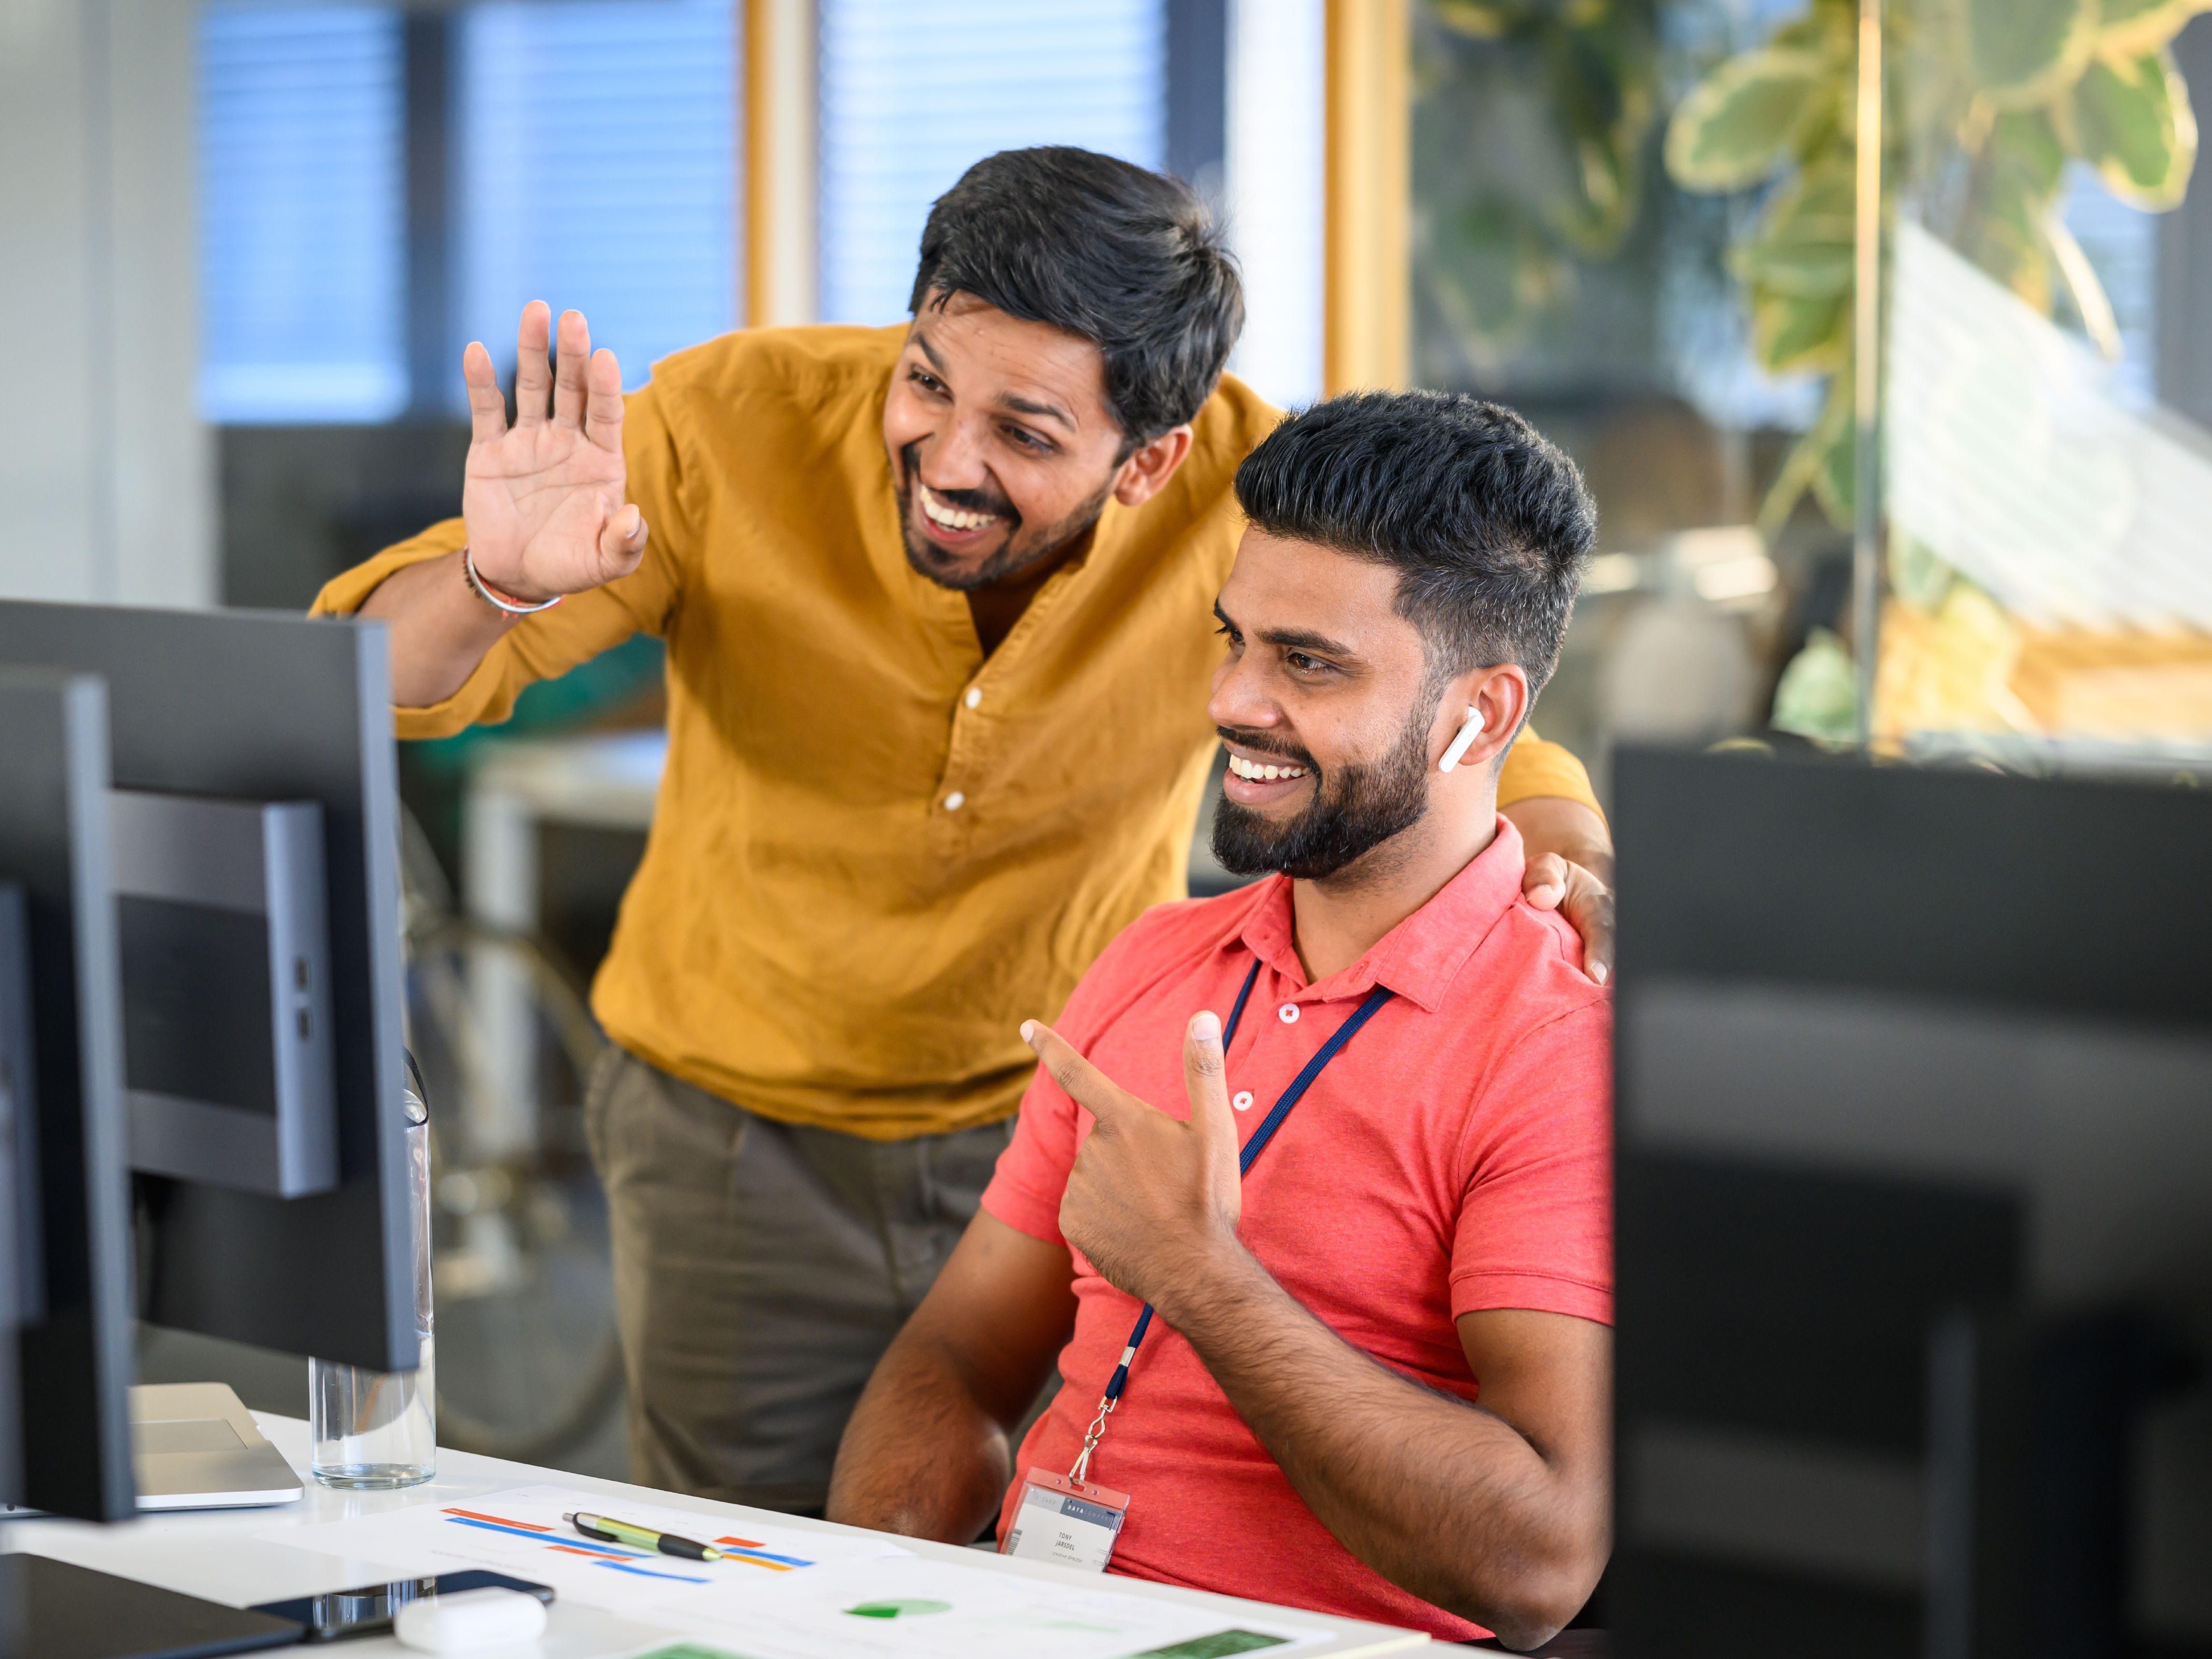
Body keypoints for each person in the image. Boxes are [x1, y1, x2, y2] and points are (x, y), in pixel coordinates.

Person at [310, 147, 1616, 1515]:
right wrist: (490, 577)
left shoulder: (1242, 485)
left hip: (1058, 1146)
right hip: (735, 1141)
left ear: (1149, 459)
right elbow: (365, 689)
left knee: (1034, 1568)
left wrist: (1565, 854)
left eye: (1028, 435)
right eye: (926, 380)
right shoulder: (733, 423)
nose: (946, 459)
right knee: (741, 1579)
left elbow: (1447, 716)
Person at [827, 390, 1612, 1649]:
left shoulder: (1553, 1040)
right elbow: (958, 1358)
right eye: (1234, 638)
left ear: (1481, 717)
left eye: (1307, 662)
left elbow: (1540, 1562)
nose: (1232, 699)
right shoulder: (1157, 956)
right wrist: (875, 1608)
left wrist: (1201, 1274)